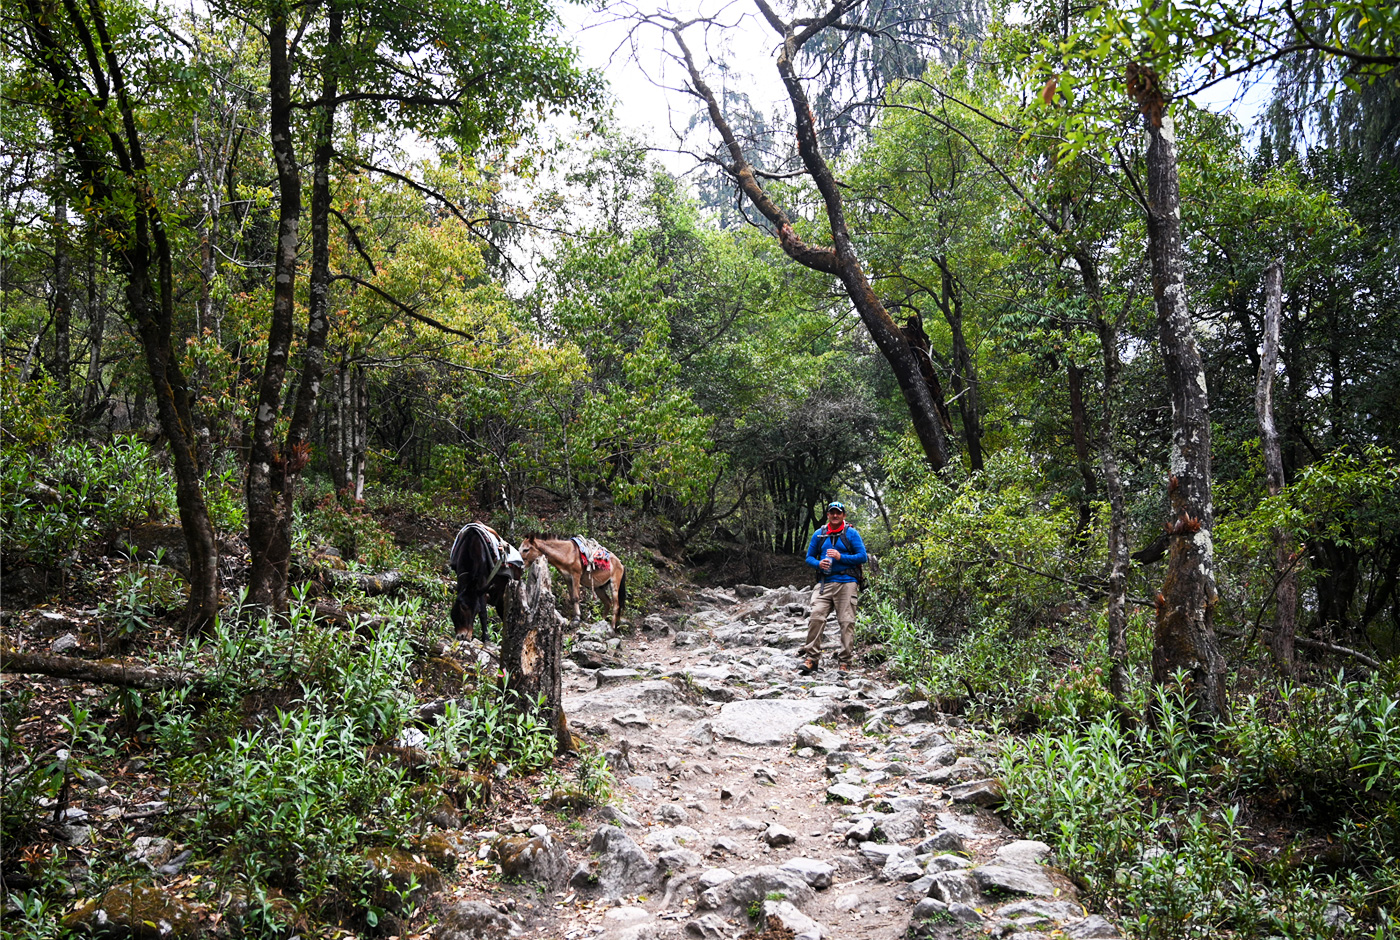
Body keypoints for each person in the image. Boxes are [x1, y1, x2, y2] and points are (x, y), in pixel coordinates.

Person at [799, 501, 867, 674]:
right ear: (828, 515)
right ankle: (811, 659)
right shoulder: (819, 534)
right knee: (816, 617)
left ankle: (844, 662)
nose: (835, 515)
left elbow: (862, 557)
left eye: (838, 513)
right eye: (832, 513)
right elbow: (809, 557)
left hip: (847, 582)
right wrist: (818, 563)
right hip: (824, 582)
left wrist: (840, 557)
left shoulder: (851, 533)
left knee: (846, 622)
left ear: (843, 515)